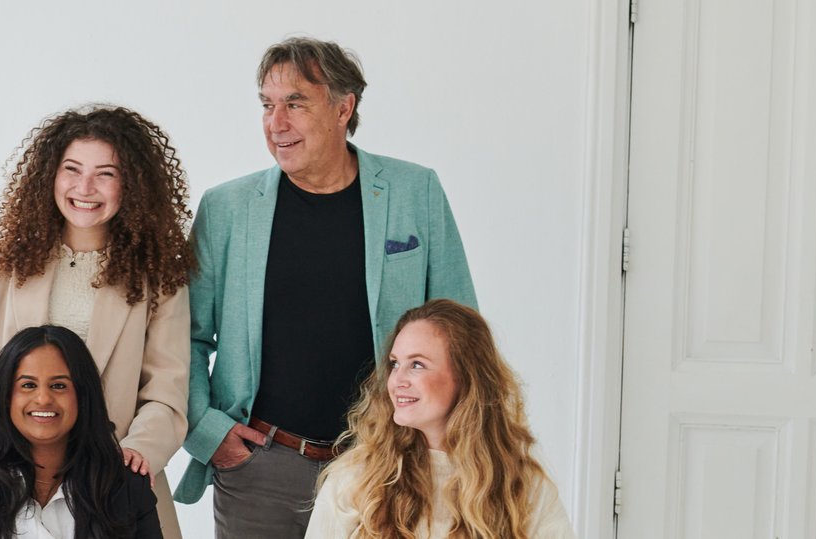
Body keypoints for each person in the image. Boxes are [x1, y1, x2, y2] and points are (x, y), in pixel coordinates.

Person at [174, 37, 478, 538]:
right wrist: (212, 435)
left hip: (389, 463)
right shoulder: (226, 209)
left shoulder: (414, 191)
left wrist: (445, 448)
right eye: (268, 106)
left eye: (295, 103)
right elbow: (182, 336)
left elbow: (461, 332)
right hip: (261, 469)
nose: (277, 123)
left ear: (343, 108)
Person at [0, 104, 193, 539]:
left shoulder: (159, 277)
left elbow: (167, 391)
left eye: (106, 174)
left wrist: (138, 452)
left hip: (112, 481)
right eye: (72, 169)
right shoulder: (6, 268)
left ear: (131, 184)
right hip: (12, 481)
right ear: (50, 176)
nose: (85, 187)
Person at [305, 300, 574, 538]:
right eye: (395, 363)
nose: (397, 380)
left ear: (466, 376)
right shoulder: (356, 477)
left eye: (417, 365)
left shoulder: (523, 484)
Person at [0, 325, 165, 538]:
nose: (43, 398)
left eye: (59, 386)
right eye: (28, 385)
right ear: (6, 397)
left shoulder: (125, 484)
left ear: (83, 397)